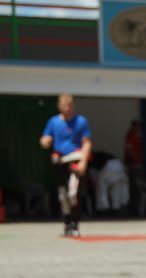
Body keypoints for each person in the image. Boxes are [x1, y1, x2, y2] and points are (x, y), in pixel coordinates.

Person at [39, 93, 91, 237]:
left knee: (72, 193)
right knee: (62, 195)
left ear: (73, 106)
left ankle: (75, 224)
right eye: (64, 105)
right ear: (59, 106)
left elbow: (87, 143)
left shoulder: (81, 121)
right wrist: (45, 142)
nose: (67, 108)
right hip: (60, 161)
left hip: (75, 159)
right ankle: (67, 223)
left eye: (70, 105)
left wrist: (84, 161)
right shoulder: (54, 122)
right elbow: (45, 138)